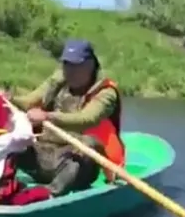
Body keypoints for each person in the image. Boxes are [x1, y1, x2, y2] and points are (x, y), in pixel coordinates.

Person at [9, 39, 126, 196]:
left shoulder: (105, 92)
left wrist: (47, 117)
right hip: (42, 157)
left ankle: (50, 194)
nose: (70, 71)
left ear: (90, 65)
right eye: (67, 64)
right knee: (6, 135)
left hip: (76, 166)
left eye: (76, 66)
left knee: (89, 142)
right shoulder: (58, 80)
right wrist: (9, 99)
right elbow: (30, 102)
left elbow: (87, 119)